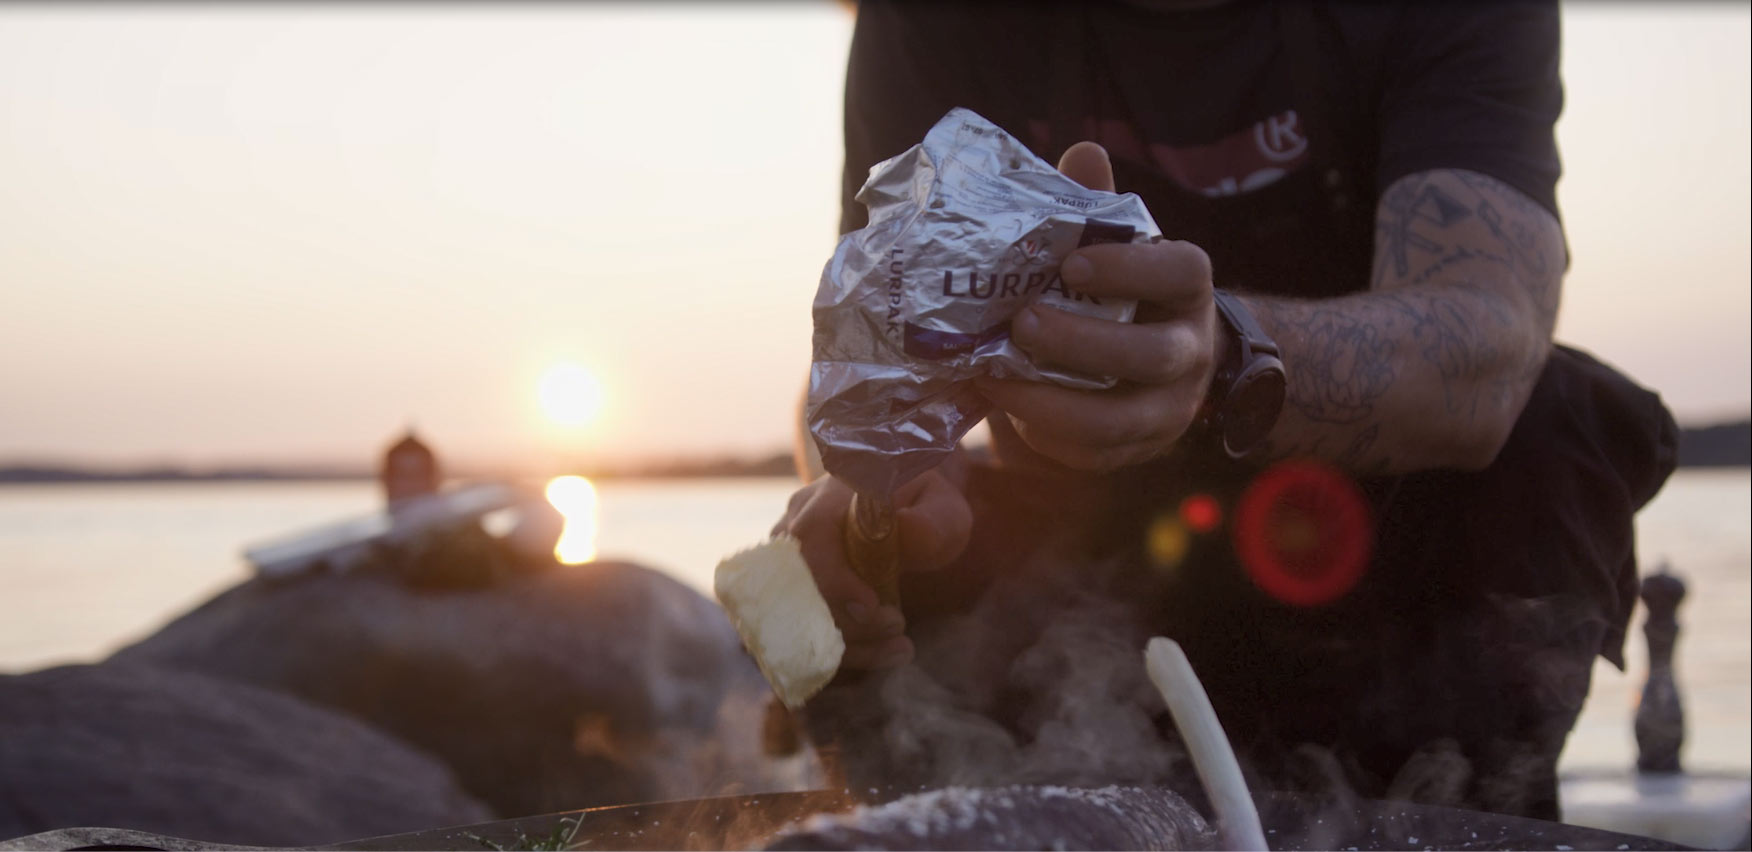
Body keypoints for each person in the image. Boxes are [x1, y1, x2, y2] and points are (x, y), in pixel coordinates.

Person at [775, 0, 1679, 821]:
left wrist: (1225, 357)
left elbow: (1487, 343)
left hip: (1377, 538)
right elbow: (874, 355)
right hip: (1075, 545)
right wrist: (876, 495)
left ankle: (1450, 822)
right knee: (851, 578)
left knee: (1555, 427)